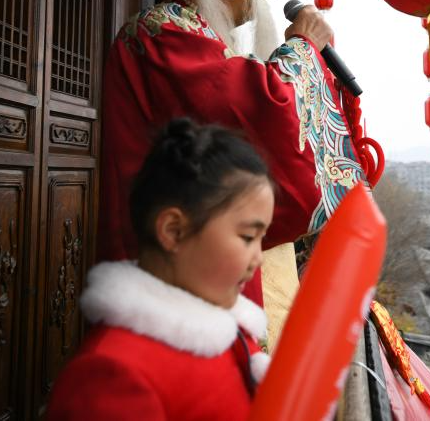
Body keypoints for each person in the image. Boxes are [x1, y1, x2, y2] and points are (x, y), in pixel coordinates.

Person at [98, 0, 367, 335]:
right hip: (174, 271)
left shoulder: (192, 35)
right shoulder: (160, 32)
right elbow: (258, 108)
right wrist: (304, 48)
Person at [48, 119, 274, 420]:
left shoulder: (232, 334)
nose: (258, 258)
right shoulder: (114, 375)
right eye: (247, 237)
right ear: (173, 231)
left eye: (261, 238)